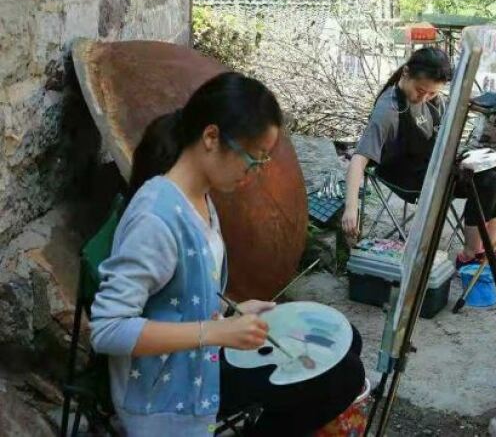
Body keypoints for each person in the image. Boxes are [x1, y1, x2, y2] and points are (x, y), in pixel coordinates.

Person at [90, 73, 365, 437]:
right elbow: (108, 330)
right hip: (167, 388)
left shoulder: (200, 197)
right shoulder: (155, 219)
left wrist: (233, 310)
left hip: (199, 355)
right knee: (341, 378)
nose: (253, 174)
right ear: (211, 137)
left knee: (347, 343)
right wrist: (215, 331)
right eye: (253, 159)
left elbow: (179, 293)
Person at [341, 47, 496, 271]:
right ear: (406, 73)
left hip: (434, 165)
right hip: (407, 177)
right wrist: (351, 208)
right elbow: (359, 159)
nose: (424, 98)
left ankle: (490, 249)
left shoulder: (434, 100)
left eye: (431, 94)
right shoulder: (388, 110)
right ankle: (471, 255)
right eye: (420, 90)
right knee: (486, 180)